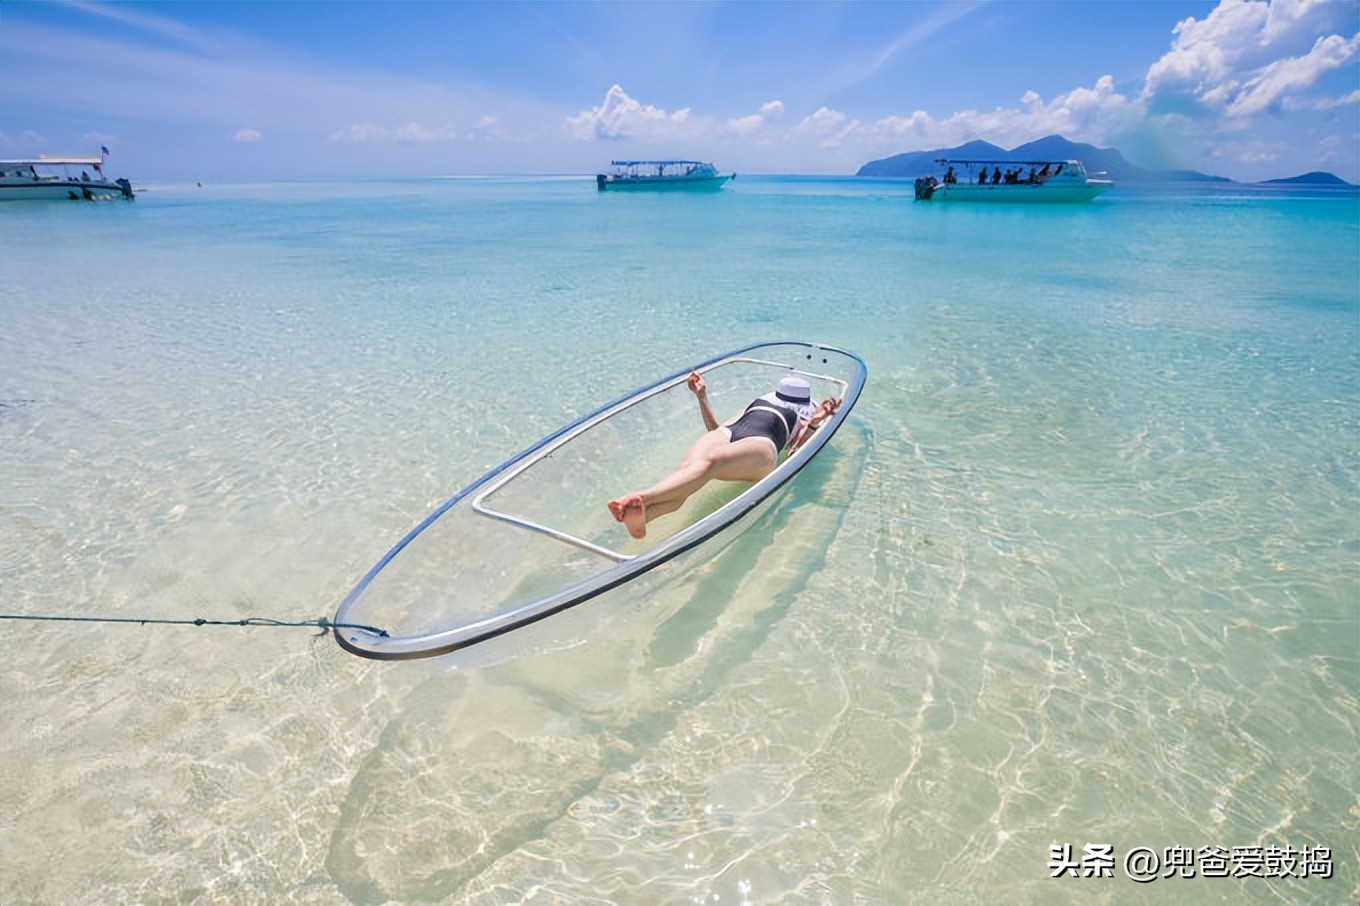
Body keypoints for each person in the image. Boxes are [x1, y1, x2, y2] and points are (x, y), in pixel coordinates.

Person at [607, 371, 840, 539]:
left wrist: (815, 423)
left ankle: (644, 498)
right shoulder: (759, 403)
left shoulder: (805, 418)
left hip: (763, 448)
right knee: (685, 473)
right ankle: (642, 518)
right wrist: (702, 396)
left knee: (710, 462)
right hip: (730, 433)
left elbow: (794, 456)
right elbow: (717, 429)